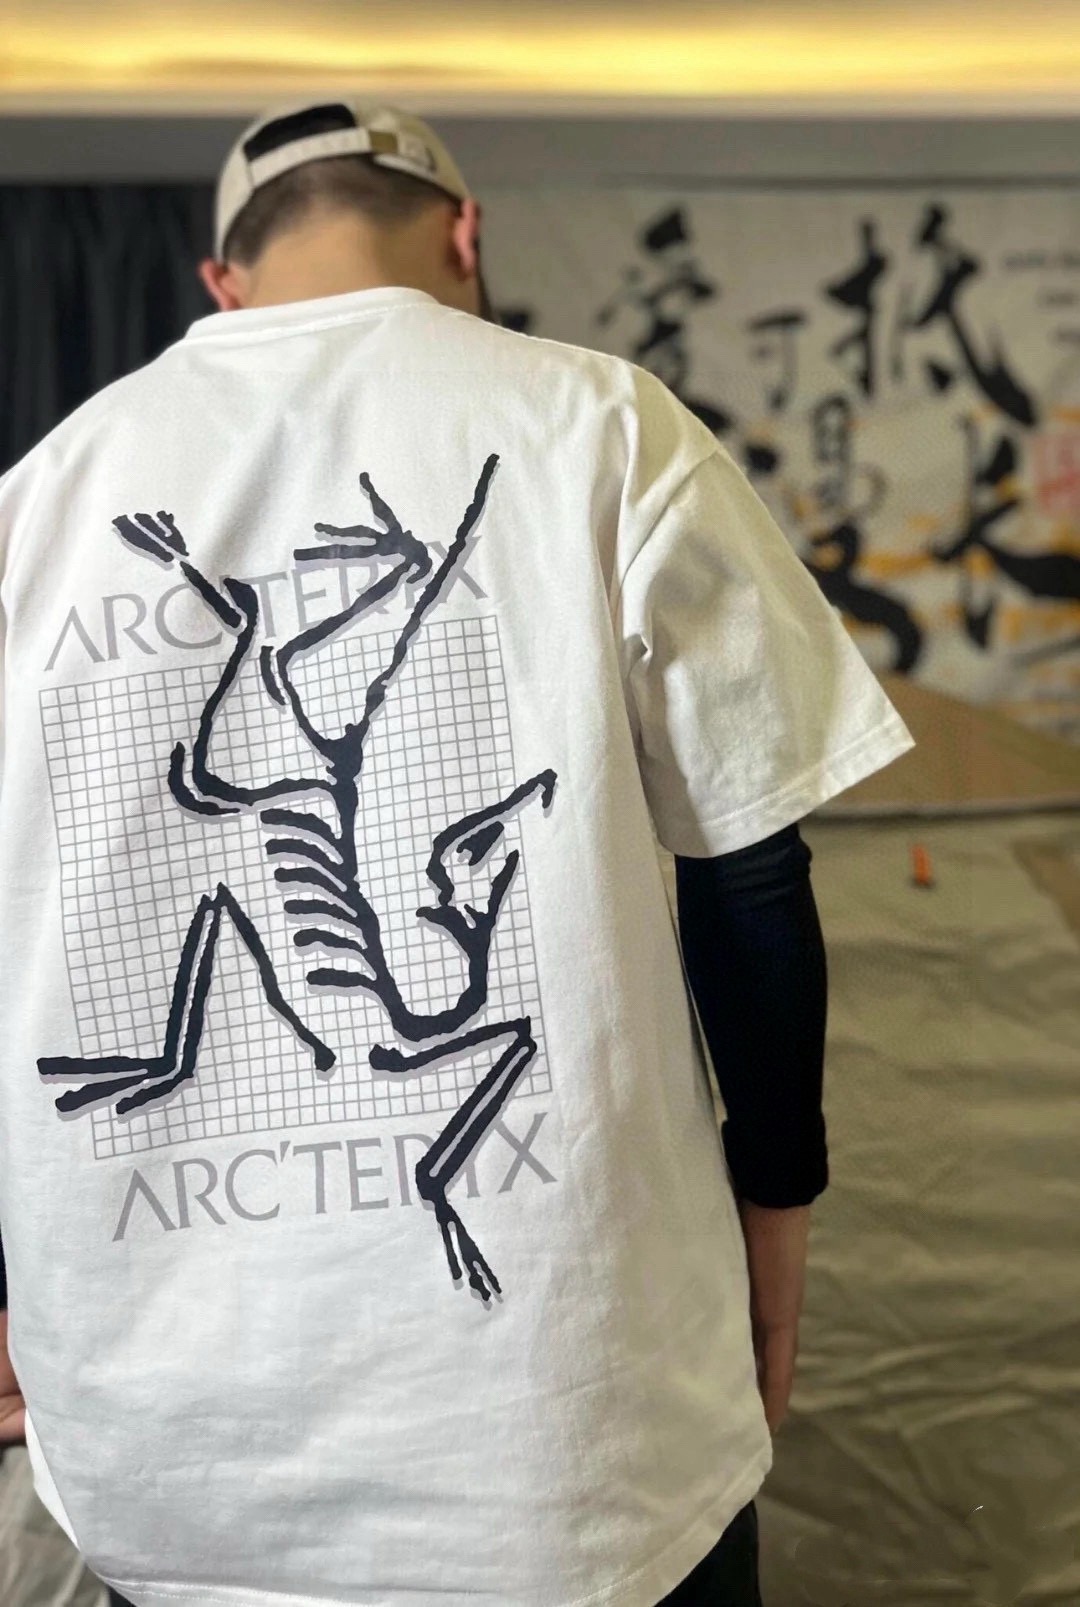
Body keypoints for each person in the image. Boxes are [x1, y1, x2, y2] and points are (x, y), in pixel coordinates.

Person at [0, 101, 912, 1607]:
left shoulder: (37, 500)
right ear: (467, 233)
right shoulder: (606, 424)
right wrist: (779, 1204)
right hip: (578, 1439)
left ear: (221, 281)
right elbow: (749, 875)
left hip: (166, 1457)